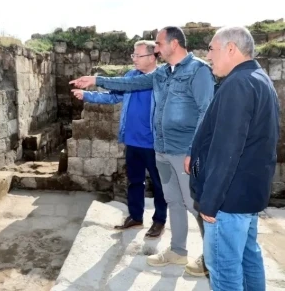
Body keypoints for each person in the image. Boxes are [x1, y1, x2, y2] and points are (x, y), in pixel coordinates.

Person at [69, 26, 215, 277]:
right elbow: (130, 82)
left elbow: (207, 112)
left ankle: (212, 260)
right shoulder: (162, 74)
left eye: (159, 44)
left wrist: (194, 150)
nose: (157, 49)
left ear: (174, 44)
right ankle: (178, 251)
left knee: (195, 205)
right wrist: (97, 80)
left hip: (184, 152)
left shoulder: (198, 70)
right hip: (162, 150)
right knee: (174, 202)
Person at [189, 26, 279, 291]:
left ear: (231, 49)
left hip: (228, 199)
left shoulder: (238, 84)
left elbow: (226, 150)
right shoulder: (258, 78)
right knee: (249, 256)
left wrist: (210, 202)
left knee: (224, 270)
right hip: (248, 194)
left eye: (211, 49)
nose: (208, 56)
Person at [71, 40, 167, 239]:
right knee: (135, 181)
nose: (133, 59)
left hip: (154, 143)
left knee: (159, 185)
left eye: (137, 56)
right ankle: (135, 216)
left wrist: (96, 80)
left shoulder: (162, 78)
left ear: (151, 57)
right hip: (132, 141)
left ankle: (159, 221)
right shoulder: (131, 76)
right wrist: (87, 95)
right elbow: (113, 97)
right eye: (133, 55)